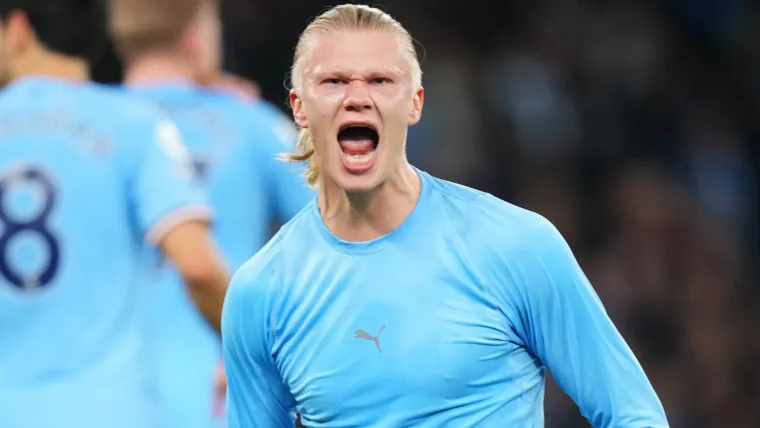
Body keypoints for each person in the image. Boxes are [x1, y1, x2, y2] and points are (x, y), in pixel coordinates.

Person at [222, 4, 670, 427]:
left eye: (380, 81)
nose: (357, 97)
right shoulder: (260, 293)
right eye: (334, 81)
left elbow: (633, 414)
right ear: (299, 107)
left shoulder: (516, 245)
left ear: (415, 103)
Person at [0, 1, 230, 427]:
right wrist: (248, 349)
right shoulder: (135, 125)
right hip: (112, 410)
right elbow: (197, 265)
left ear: (17, 30)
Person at [107, 0, 314, 427]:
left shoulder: (90, 124)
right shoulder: (255, 125)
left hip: (102, 401)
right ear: (195, 36)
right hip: (223, 399)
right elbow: (346, 238)